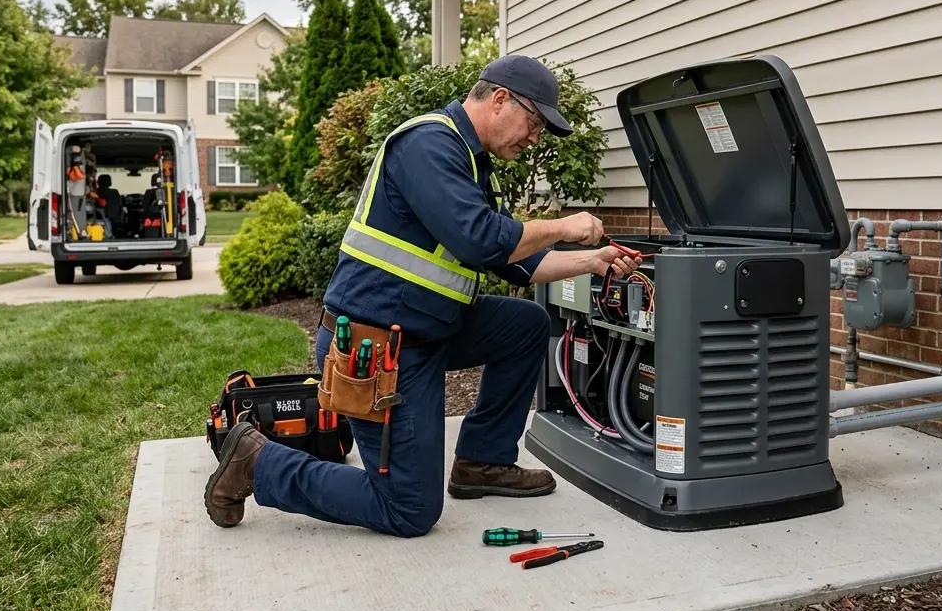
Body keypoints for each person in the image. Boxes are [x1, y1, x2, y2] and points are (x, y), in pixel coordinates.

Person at [204, 54, 642, 537]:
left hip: (428, 330)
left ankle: (482, 462)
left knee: (526, 325)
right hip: (376, 349)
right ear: (500, 99)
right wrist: (563, 226)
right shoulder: (428, 144)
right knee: (408, 508)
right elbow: (481, 239)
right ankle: (257, 462)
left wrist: (593, 260)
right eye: (535, 123)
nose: (535, 138)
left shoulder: (473, 163)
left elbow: (517, 262)